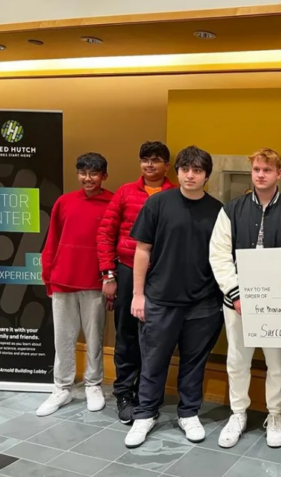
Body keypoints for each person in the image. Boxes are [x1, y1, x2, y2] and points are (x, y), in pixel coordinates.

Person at [124, 146, 225, 449]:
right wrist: (138, 295)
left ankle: (189, 412)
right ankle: (145, 414)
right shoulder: (158, 203)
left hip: (204, 303)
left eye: (197, 170)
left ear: (206, 175)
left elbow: (223, 256)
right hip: (160, 299)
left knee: (194, 363)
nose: (190, 175)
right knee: (153, 361)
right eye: (185, 169)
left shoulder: (219, 210)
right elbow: (142, 251)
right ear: (177, 171)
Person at [210, 148, 281, 449]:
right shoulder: (231, 210)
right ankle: (238, 413)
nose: (260, 174)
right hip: (236, 303)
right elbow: (219, 256)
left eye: (267, 170)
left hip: (277, 306)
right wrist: (236, 295)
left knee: (277, 364)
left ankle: (274, 414)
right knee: (238, 361)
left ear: (279, 173)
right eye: (256, 170)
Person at [96, 141, 174, 424]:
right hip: (127, 270)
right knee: (127, 336)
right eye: (144, 160)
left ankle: (147, 394)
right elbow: (105, 234)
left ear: (166, 165)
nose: (149, 165)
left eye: (155, 160)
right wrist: (109, 274)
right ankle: (124, 394)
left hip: (162, 276)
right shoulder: (125, 193)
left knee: (155, 337)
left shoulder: (176, 194)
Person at [37, 153, 113, 416]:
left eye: (93, 173)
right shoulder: (64, 202)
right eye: (83, 172)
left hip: (94, 281)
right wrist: (48, 274)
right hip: (63, 279)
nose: (87, 178)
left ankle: (93, 384)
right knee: (63, 338)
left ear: (104, 175)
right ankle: (62, 388)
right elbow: (52, 240)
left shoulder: (113, 202)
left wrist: (110, 279)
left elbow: (113, 244)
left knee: (94, 338)